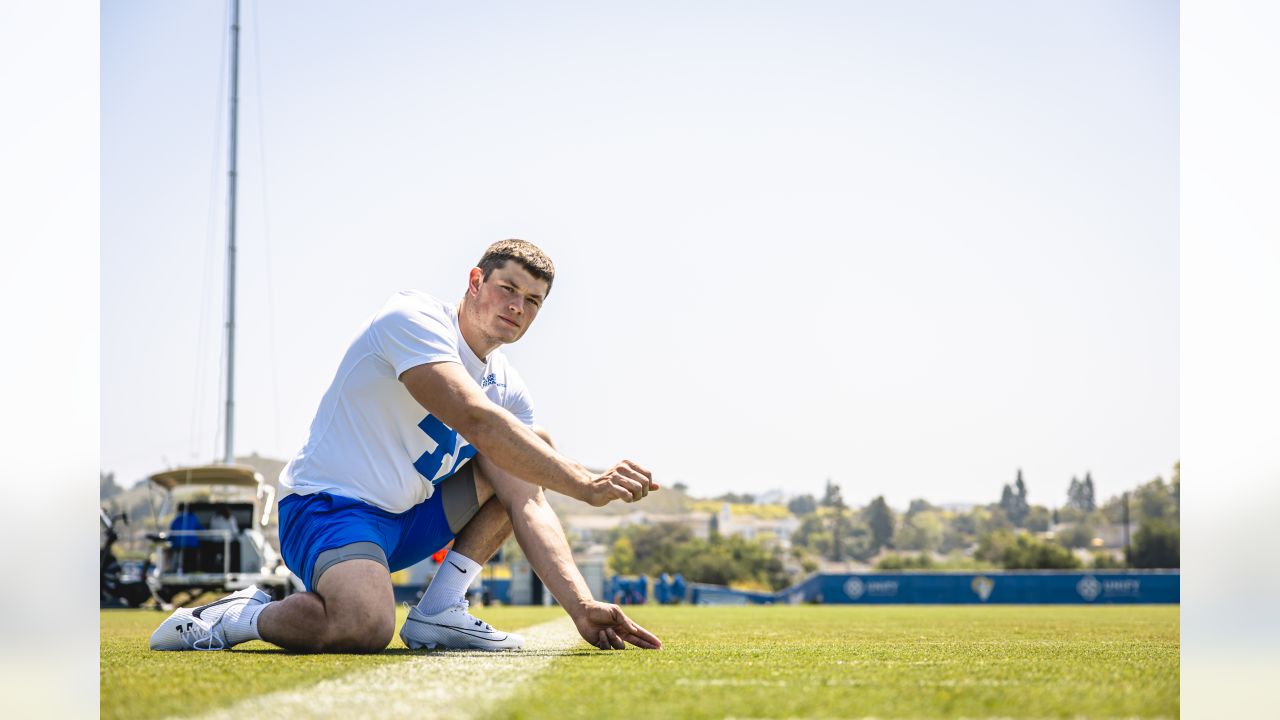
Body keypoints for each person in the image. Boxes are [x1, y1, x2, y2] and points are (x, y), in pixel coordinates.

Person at [151, 239, 662, 653]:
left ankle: (440, 610)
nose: (517, 307)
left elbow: (526, 499)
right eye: (508, 288)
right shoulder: (412, 317)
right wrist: (585, 483)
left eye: (533, 301)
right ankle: (240, 617)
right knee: (363, 625)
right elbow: (473, 418)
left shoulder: (509, 387)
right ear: (475, 280)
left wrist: (581, 605)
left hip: (411, 518)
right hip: (329, 507)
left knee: (531, 448)